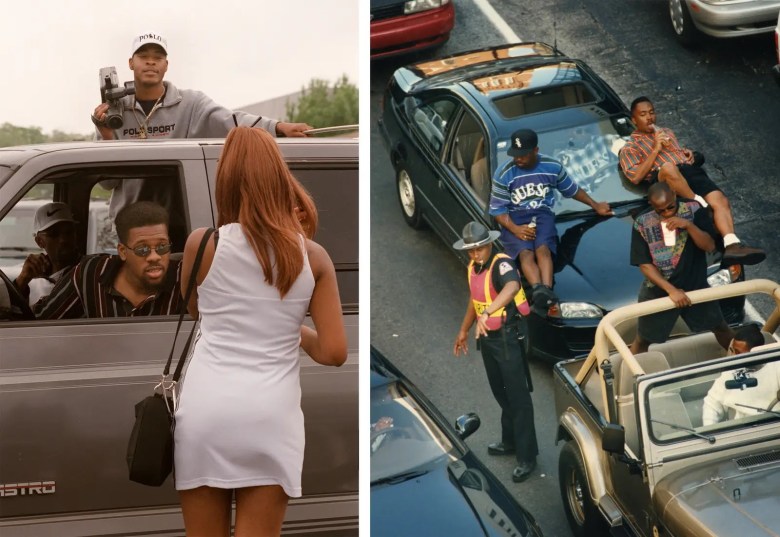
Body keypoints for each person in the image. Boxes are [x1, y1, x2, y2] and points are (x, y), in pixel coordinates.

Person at [173, 126, 346, 537]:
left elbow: (197, 309)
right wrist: (292, 328)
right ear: (278, 176)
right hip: (272, 415)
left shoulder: (203, 244)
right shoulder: (313, 256)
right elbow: (334, 352)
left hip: (206, 412)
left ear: (226, 180)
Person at [92, 33, 313, 220]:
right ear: (131, 63)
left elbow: (233, 121)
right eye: (144, 57)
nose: (151, 62)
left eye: (158, 57)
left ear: (166, 65)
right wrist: (106, 135)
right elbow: (108, 184)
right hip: (129, 227)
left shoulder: (191, 103)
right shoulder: (114, 111)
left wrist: (278, 127)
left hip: (182, 224)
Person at [619, 96, 764, 266]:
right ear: (634, 120)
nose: (649, 117)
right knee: (668, 167)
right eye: (643, 114)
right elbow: (635, 177)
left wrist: (689, 154)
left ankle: (732, 244)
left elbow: (679, 153)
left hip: (689, 171)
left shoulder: (667, 132)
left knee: (720, 200)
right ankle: (700, 206)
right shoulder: (629, 148)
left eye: (651, 112)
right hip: (665, 178)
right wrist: (656, 148)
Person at [452, 221, 539, 483]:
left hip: (507, 338)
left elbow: (511, 287)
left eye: (479, 249)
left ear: (489, 243)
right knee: (500, 391)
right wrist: (463, 329)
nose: (475, 254)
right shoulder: (473, 267)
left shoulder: (501, 264)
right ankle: (510, 440)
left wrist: (489, 312)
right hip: (486, 338)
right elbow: (475, 299)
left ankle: (527, 456)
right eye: (471, 250)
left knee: (518, 397)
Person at [489, 128, 613, 311]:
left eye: (523, 155)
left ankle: (547, 291)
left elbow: (571, 190)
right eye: (515, 155)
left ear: (535, 151)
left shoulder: (552, 166)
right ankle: (538, 289)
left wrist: (595, 205)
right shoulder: (504, 173)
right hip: (514, 217)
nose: (518, 159)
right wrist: (515, 229)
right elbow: (497, 210)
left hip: (542, 214)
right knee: (526, 253)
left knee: (543, 249)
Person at [629, 182, 734, 354]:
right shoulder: (642, 222)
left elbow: (709, 246)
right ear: (651, 205)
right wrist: (672, 291)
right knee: (643, 339)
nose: (667, 213)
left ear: (675, 195)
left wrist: (688, 225)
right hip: (659, 290)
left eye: (670, 207)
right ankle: (627, 376)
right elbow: (645, 265)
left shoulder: (694, 209)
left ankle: (750, 362)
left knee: (720, 327)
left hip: (695, 285)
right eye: (660, 210)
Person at [34, 201, 183, 319]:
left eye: (162, 247)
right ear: (123, 252)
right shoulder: (90, 275)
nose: (154, 257)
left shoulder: (184, 279)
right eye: (142, 249)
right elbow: (43, 319)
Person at [702, 324, 780, 425]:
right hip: (742, 430)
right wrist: (710, 430)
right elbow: (711, 404)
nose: (734, 356)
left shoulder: (776, 366)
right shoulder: (729, 374)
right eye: (733, 350)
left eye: (739, 353)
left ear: (756, 352)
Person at [14, 202, 80, 305]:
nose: (63, 240)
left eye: (69, 232)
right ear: (40, 242)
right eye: (54, 234)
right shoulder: (32, 276)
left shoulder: (85, 271)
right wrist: (22, 280)